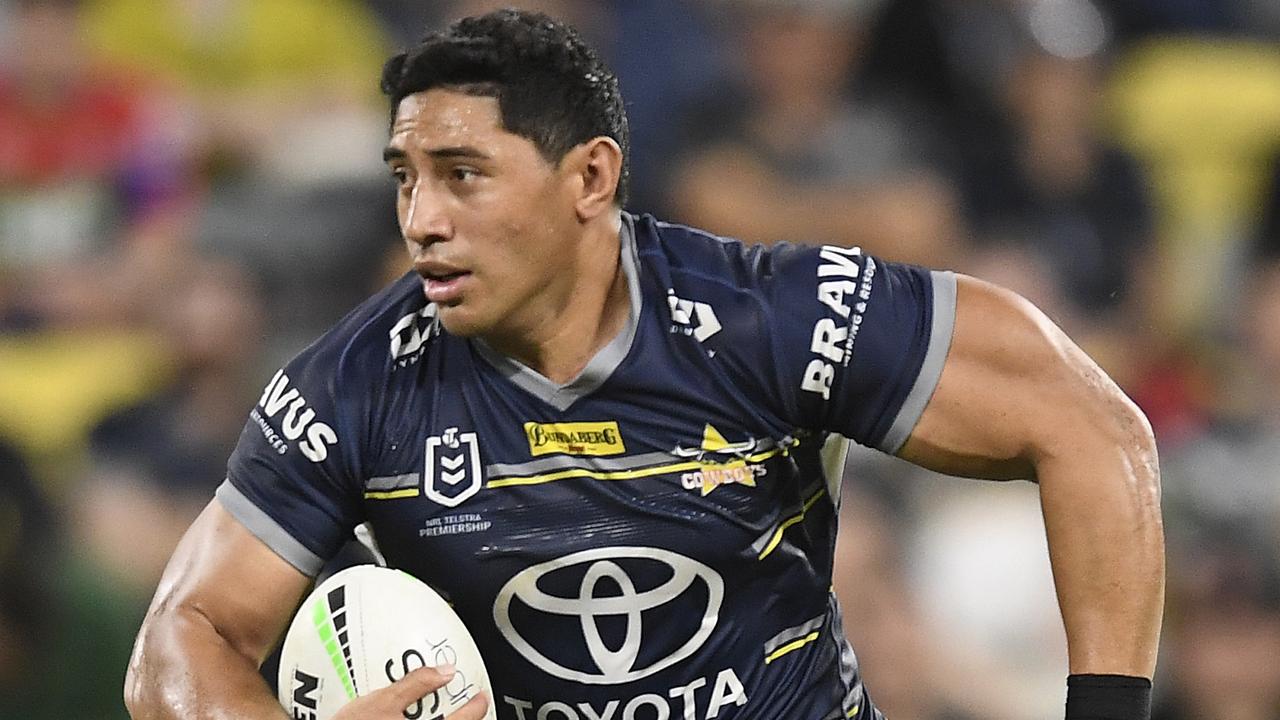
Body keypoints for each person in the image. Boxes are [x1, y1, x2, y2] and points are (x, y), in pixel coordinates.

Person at [124, 9, 1164, 720]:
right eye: (404, 177)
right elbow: (183, 635)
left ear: (589, 176)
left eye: (462, 175)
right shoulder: (352, 385)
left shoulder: (767, 317)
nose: (421, 220)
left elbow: (1087, 425)